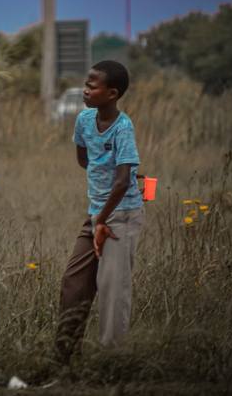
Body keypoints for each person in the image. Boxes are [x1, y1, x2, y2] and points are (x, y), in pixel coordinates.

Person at [54, 60, 145, 364]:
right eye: (86, 83)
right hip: (97, 214)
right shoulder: (83, 120)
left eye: (93, 86)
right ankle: (65, 354)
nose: (85, 90)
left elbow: (122, 181)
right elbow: (85, 160)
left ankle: (111, 360)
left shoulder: (123, 127)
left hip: (120, 216)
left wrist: (103, 219)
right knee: (73, 282)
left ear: (112, 93)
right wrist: (97, 217)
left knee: (112, 289)